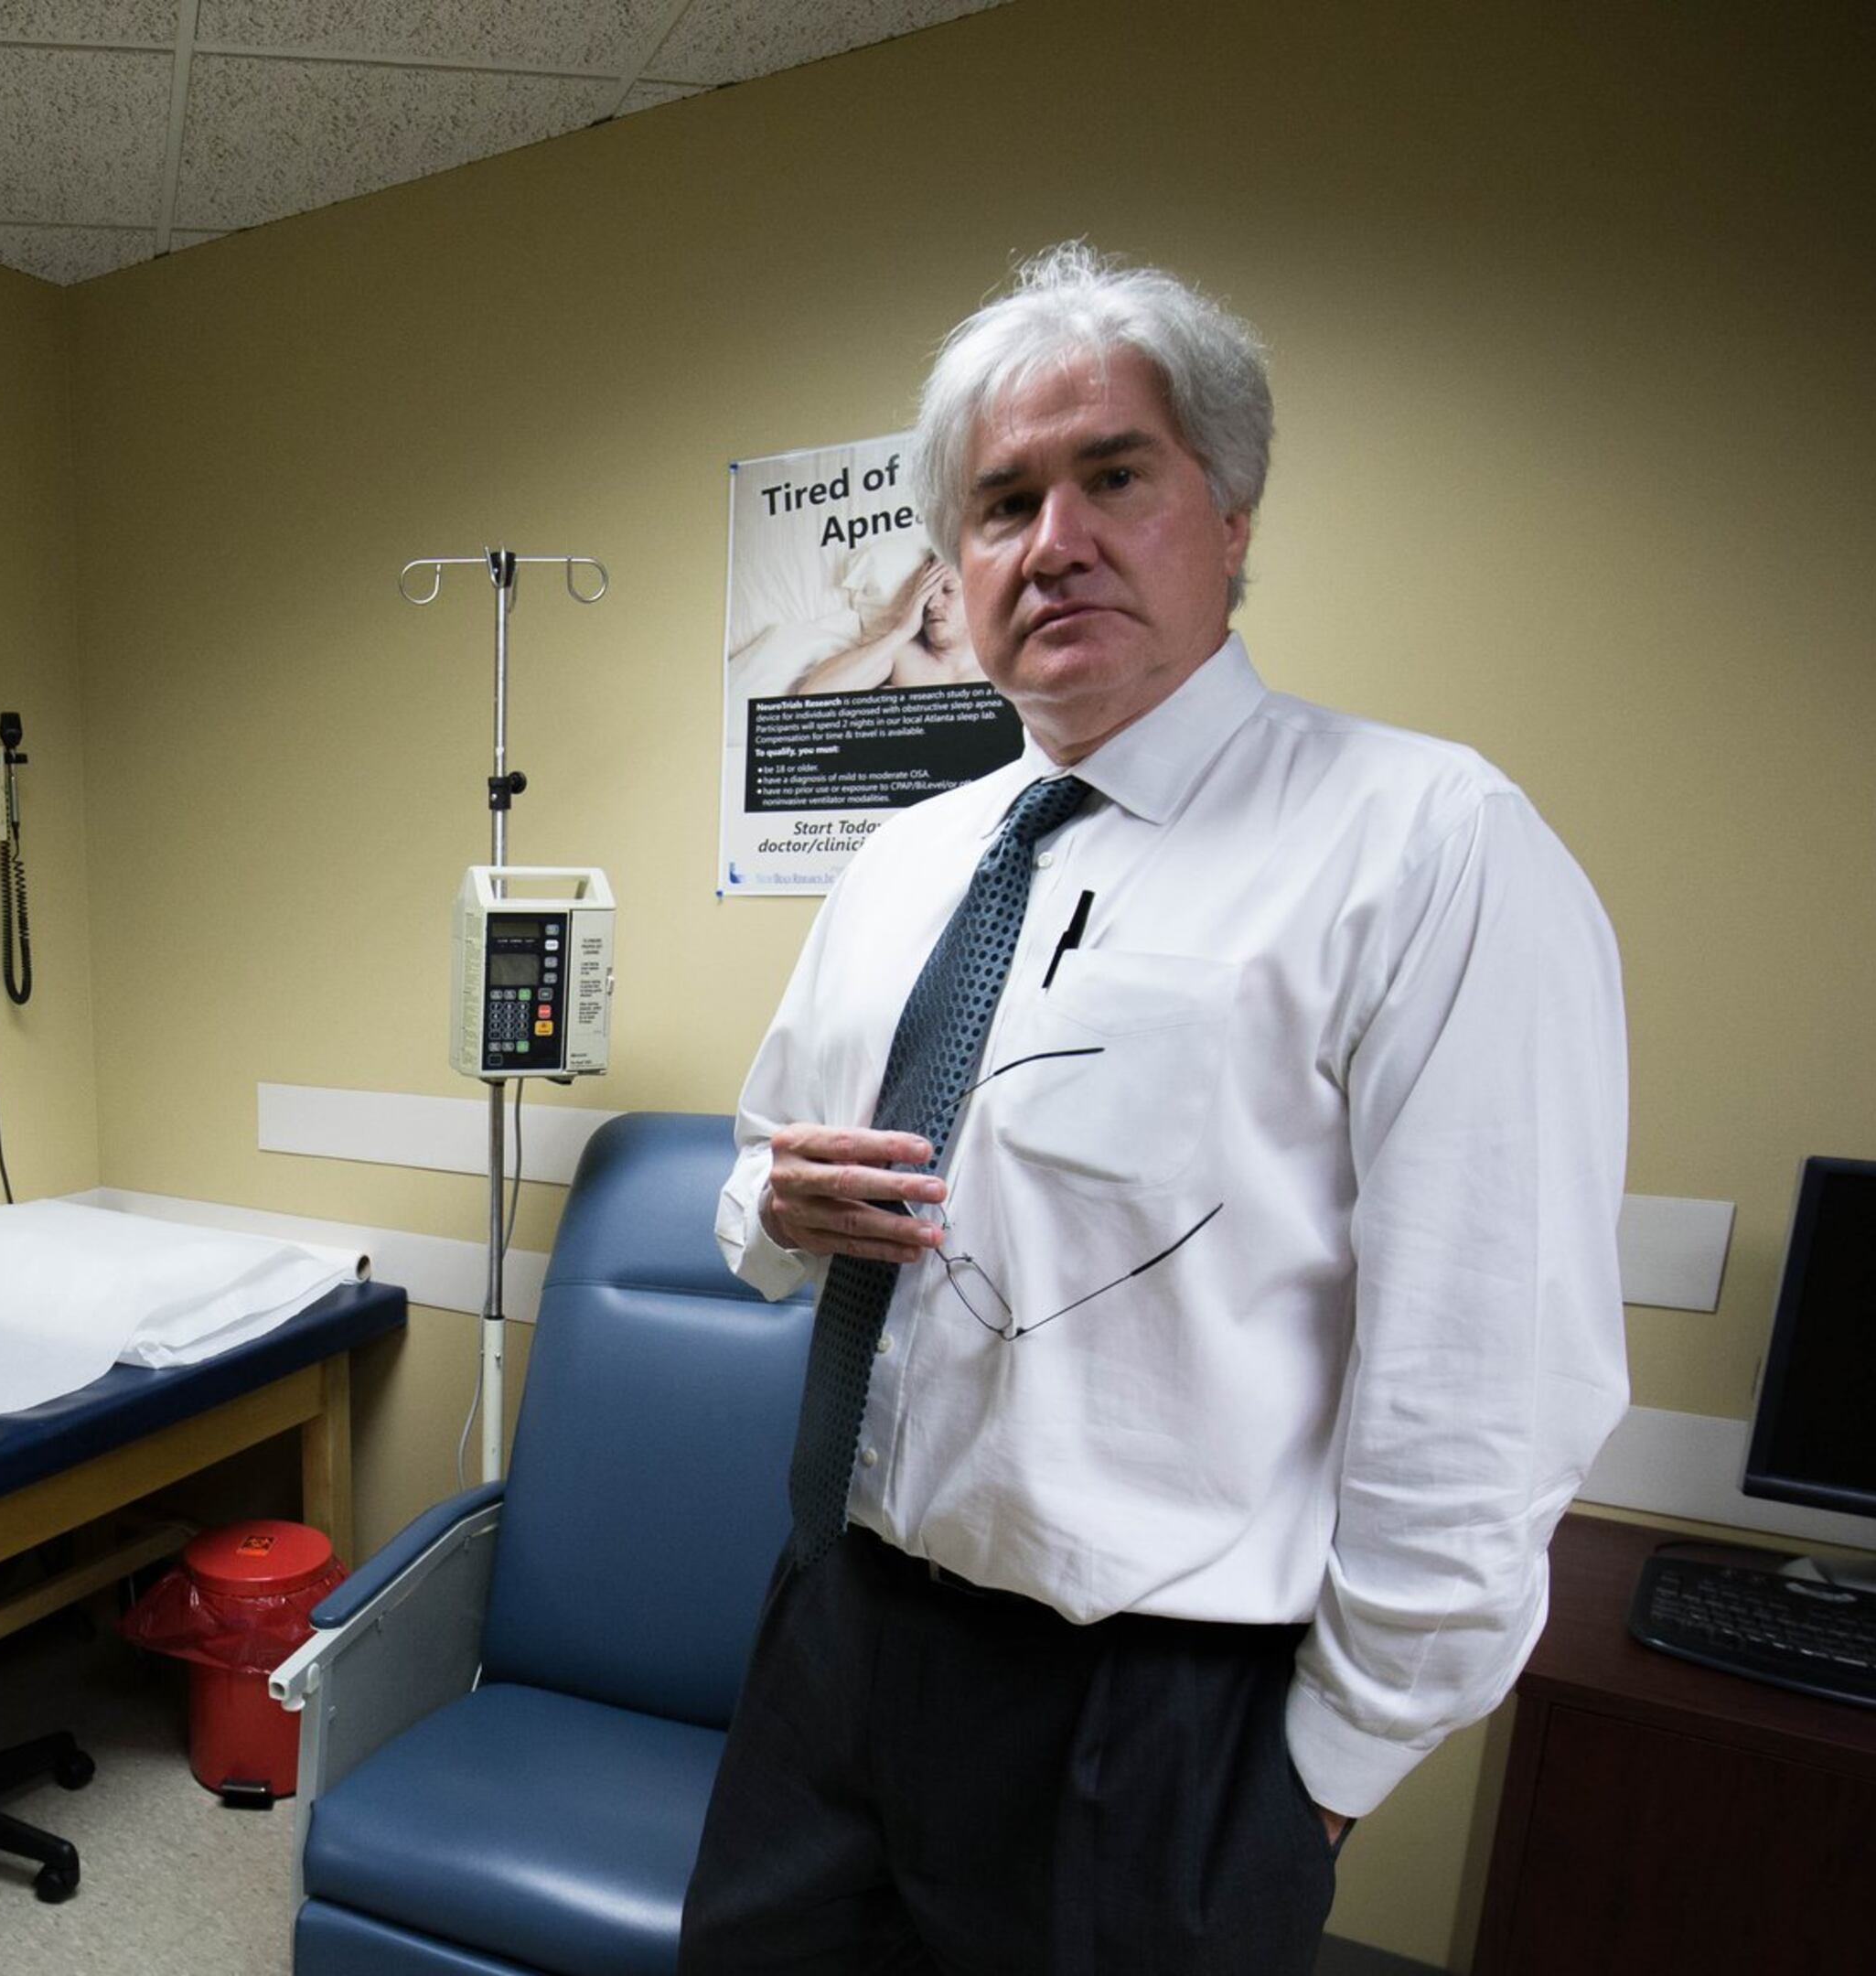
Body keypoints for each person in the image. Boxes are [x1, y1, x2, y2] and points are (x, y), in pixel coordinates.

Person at [684, 243, 1629, 1974]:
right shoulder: (905, 864)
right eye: (1001, 503)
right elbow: (754, 1191)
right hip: (841, 1628)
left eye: (1113, 474)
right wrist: (774, 1211)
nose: (1055, 542)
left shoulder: (1426, 846)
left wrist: (1321, 1780)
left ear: (1233, 513)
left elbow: (1491, 1384)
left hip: (1157, 1712)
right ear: (955, 574)